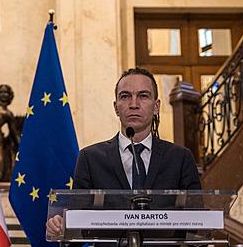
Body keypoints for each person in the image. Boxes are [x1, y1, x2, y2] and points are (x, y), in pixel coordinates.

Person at [46, 67, 201, 242]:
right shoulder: (90, 158)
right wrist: (62, 229)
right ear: (116, 107)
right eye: (125, 96)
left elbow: (196, 225)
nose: (134, 104)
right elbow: (78, 226)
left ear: (156, 107)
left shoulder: (180, 158)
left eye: (143, 96)